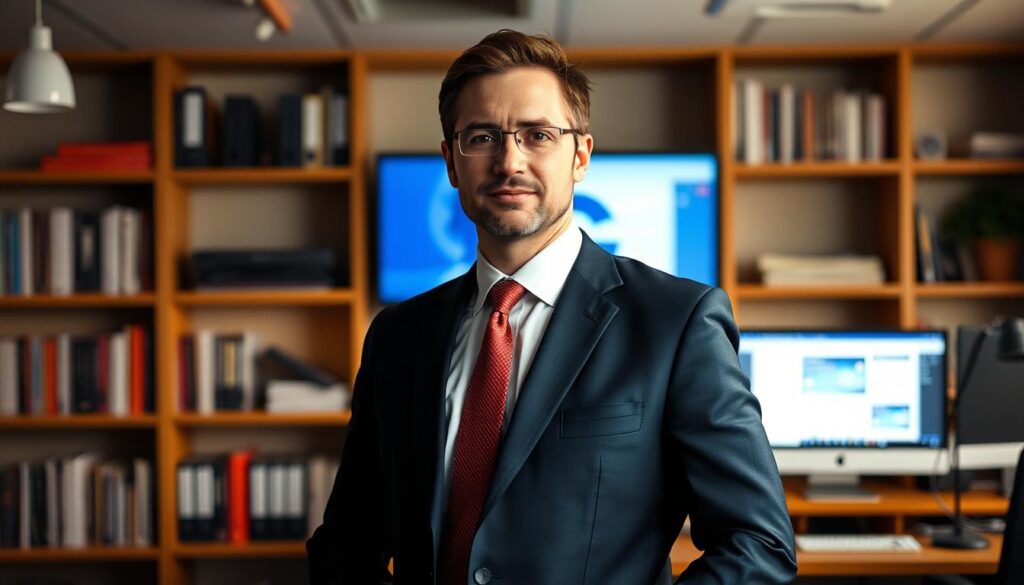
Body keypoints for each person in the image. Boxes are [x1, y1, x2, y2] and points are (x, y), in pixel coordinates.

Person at [307, 29, 797, 585]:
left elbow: (757, 543)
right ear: (451, 161)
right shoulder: (398, 333)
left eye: (538, 134)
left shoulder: (677, 322)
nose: (509, 161)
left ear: (580, 155)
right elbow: (348, 537)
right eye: (482, 137)